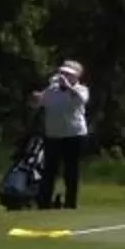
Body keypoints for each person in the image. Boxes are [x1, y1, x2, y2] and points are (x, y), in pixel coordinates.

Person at [30, 60, 91, 210]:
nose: (63, 76)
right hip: (53, 134)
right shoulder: (52, 90)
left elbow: (81, 100)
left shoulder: (81, 89)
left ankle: (71, 203)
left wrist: (68, 87)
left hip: (73, 135)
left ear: (76, 77)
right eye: (62, 73)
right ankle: (44, 202)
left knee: (71, 171)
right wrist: (37, 96)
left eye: (68, 74)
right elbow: (36, 104)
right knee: (49, 170)